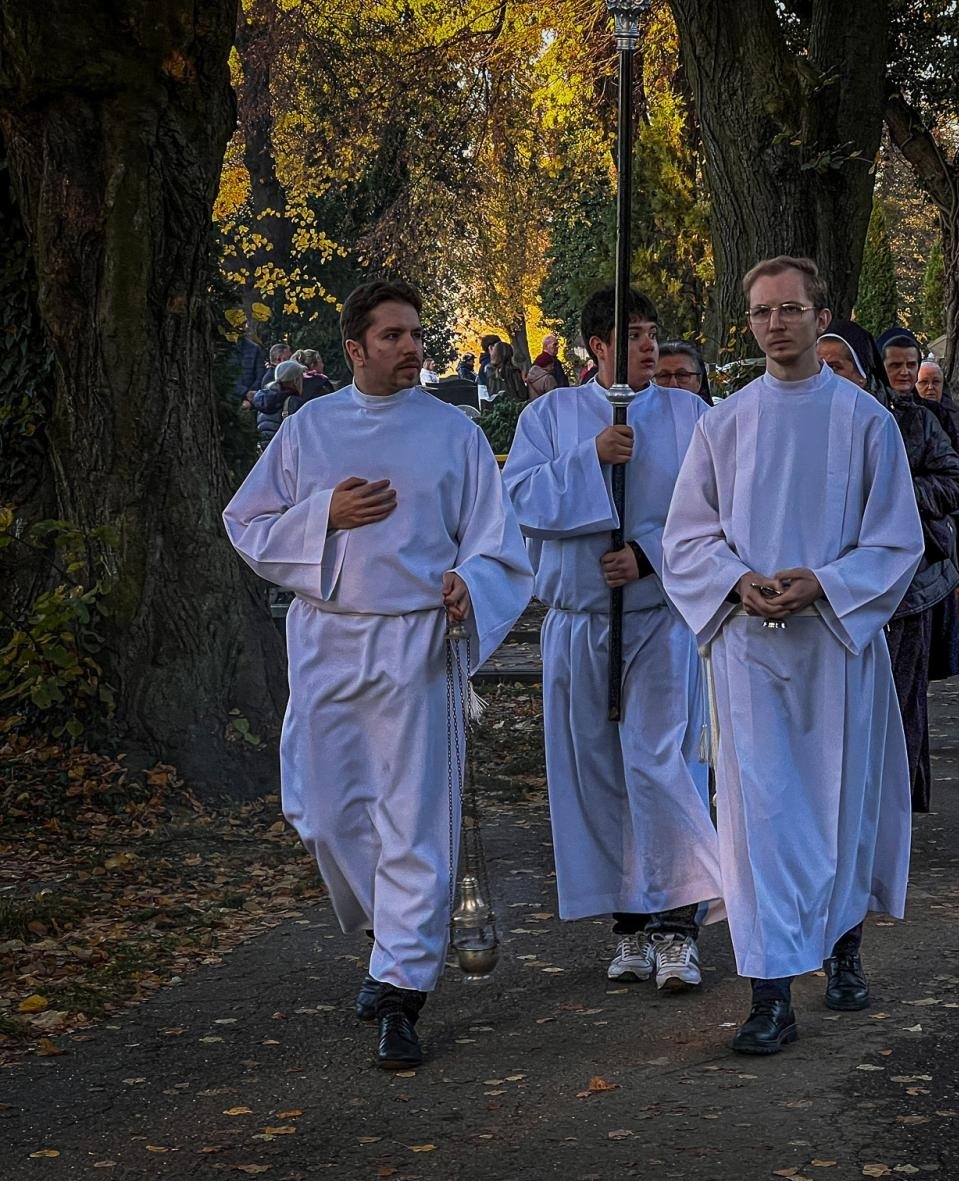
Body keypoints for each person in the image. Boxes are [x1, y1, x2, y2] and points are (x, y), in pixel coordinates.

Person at [222, 280, 534, 1069]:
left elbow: (498, 544)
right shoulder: (308, 427)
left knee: (413, 814)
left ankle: (400, 989)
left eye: (416, 334)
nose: (411, 348)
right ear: (355, 349)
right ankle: (389, 930)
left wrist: (473, 582)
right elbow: (246, 523)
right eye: (392, 336)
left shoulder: (453, 432)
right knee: (324, 812)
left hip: (416, 642)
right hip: (328, 638)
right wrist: (321, 516)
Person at [661, 256, 922, 1056]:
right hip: (748, 654)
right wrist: (738, 581)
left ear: (820, 314)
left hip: (837, 649)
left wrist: (829, 582)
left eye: (790, 309)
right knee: (759, 822)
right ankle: (768, 994)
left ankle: (842, 946)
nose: (775, 324)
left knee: (840, 809)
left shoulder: (864, 420)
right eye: (761, 313)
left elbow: (895, 537)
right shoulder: (723, 424)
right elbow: (686, 537)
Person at [503, 286, 721, 993]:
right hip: (581, 622)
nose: (649, 346)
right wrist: (591, 459)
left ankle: (678, 926)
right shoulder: (551, 416)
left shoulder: (690, 415)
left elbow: (716, 507)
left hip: (659, 620)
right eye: (632, 334)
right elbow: (519, 504)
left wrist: (650, 553)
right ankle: (629, 920)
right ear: (595, 347)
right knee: (596, 775)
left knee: (661, 765)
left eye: (653, 331)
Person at [876, 335, 959, 812]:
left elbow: (955, 483)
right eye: (896, 365)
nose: (905, 373)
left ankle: (900, 797)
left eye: (912, 364)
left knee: (904, 695)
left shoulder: (924, 420)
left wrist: (898, 493)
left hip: (914, 577)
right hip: (857, 580)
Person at [912, 355, 959, 681]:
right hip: (930, 513)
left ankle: (953, 625)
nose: (929, 387)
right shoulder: (909, 416)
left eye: (935, 382)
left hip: (956, 510)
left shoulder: (958, 418)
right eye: (924, 381)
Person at [656, 341, 715, 405]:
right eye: (664, 375)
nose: (673, 384)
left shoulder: (713, 414)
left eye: (682, 375)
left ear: (698, 381)